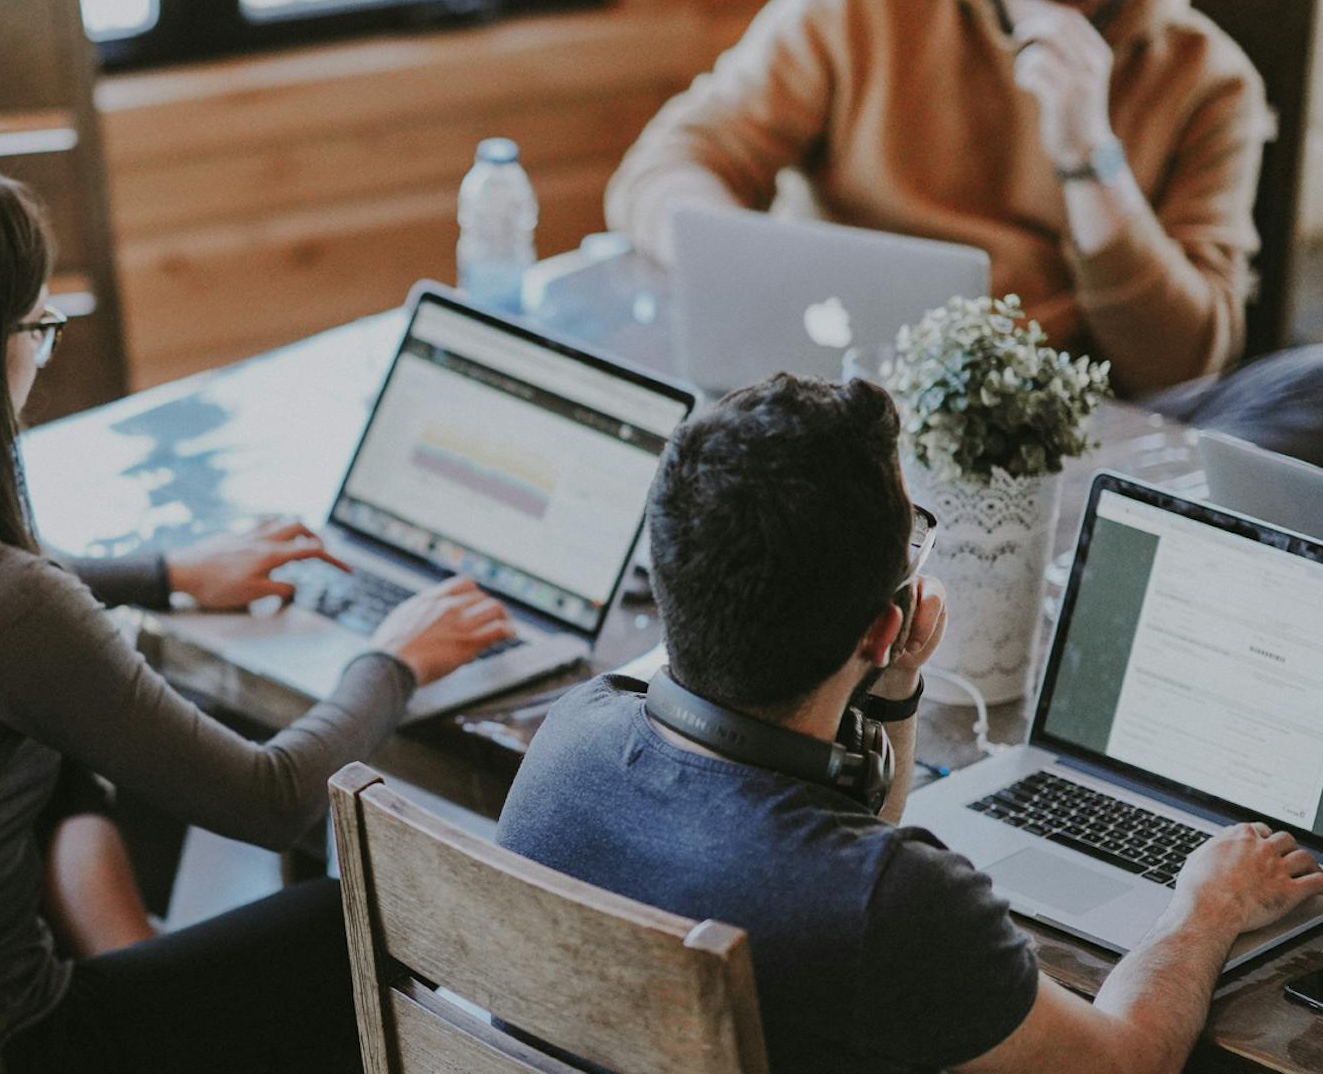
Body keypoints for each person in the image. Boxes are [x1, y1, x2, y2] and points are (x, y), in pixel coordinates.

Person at [0, 162, 514, 1072]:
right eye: (39, 327)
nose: (42, 354)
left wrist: (167, 574)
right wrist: (394, 657)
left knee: (62, 756)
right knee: (336, 922)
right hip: (9, 1050)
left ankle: (130, 950)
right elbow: (269, 797)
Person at [496, 375, 1323, 1073]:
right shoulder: (891, 903)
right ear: (882, 625)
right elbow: (1124, 1059)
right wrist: (1205, 906)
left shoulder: (570, 738)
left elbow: (830, 845)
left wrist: (890, 692)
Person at [604, 0, 1323, 463]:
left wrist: (1089, 158)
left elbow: (1183, 363)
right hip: (837, 396)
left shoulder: (1211, 82)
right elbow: (668, 166)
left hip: (1054, 439)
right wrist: (739, 272)